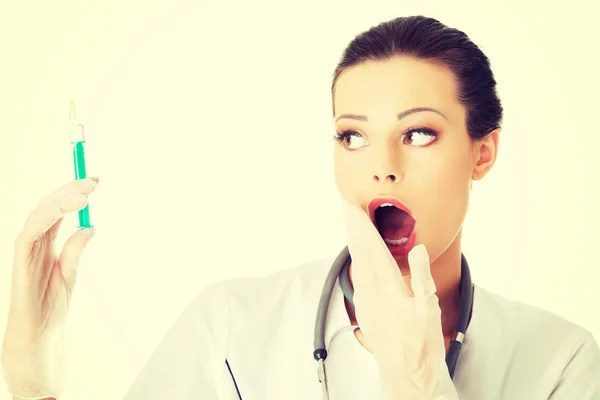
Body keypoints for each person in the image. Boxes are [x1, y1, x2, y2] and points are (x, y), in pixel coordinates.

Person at [2, 15, 600, 400]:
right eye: (352, 136)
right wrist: (30, 372)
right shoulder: (232, 327)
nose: (381, 166)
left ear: (483, 152)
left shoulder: (562, 364)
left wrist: (418, 383)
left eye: (419, 133)